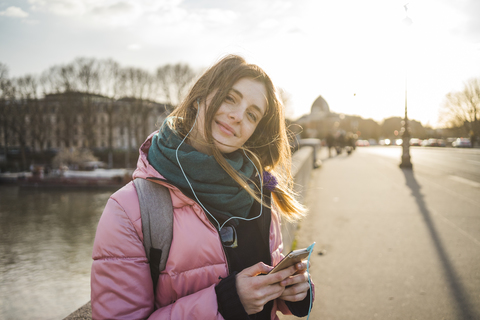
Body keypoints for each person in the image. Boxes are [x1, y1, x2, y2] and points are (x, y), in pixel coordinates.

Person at [90, 55, 314, 319]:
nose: (238, 116)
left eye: (252, 115)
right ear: (200, 96)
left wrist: (294, 290)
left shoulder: (260, 193)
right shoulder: (129, 210)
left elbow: (268, 291)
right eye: (230, 98)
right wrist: (224, 302)